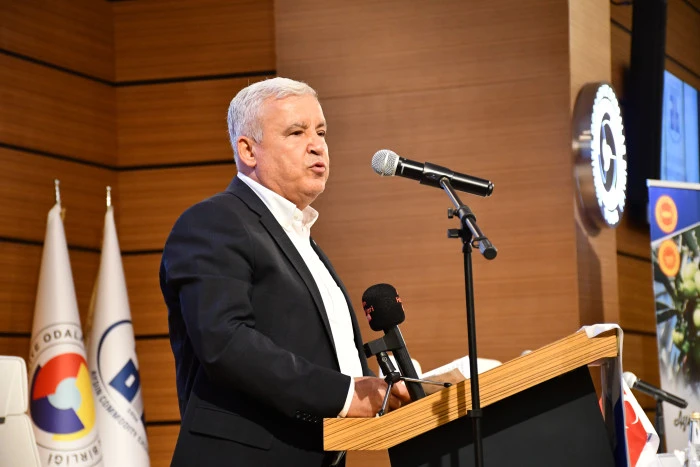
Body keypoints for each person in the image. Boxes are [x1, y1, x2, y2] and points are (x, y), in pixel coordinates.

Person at [160, 77, 411, 467]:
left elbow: (316, 351)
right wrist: (347, 394)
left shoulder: (299, 236)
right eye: (297, 132)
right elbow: (226, 343)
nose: (317, 145)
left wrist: (381, 389)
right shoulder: (214, 222)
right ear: (248, 150)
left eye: (321, 132)